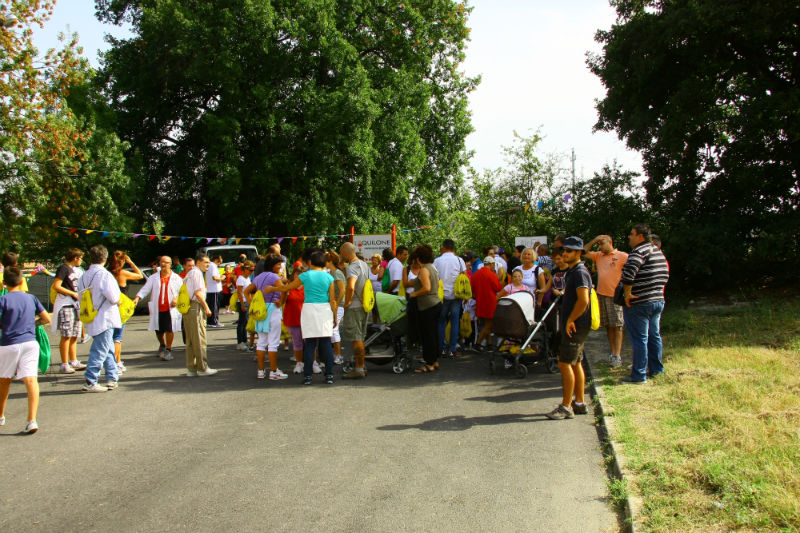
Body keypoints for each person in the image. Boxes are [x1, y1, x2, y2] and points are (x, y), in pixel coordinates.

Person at [268, 249, 336, 385]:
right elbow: (332, 300)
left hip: (309, 309)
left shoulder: (305, 276)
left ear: (310, 262)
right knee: (326, 343)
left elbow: (288, 288)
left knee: (310, 344)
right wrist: (334, 316)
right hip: (324, 309)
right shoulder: (329, 277)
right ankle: (329, 375)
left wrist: (272, 289)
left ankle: (308, 376)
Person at [0, 267, 50, 433]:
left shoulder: (3, 300)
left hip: (8, 343)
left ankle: (1, 416)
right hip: (30, 342)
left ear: (4, 283)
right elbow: (46, 318)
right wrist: (32, 325)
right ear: (22, 281)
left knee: (4, 381)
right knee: (31, 381)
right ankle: (32, 420)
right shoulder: (31, 298)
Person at [546, 237, 591, 420]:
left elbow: (584, 300)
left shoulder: (580, 272)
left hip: (576, 325)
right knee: (576, 363)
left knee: (564, 363)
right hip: (575, 324)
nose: (565, 253)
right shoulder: (573, 271)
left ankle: (566, 407)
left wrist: (571, 319)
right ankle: (579, 403)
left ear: (579, 252)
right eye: (564, 250)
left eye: (569, 251)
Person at [620, 224, 670, 384]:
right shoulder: (657, 252)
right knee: (654, 336)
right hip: (657, 300)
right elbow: (665, 274)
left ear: (640, 236)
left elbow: (628, 274)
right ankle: (657, 370)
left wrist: (627, 294)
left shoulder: (638, 252)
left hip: (639, 302)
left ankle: (639, 375)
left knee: (639, 338)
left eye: (631, 234)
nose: (629, 237)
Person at [78, 245, 123, 392]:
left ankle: (112, 377)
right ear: (105, 258)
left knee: (108, 348)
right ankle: (90, 380)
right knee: (100, 350)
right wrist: (119, 301)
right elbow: (114, 296)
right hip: (105, 317)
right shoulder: (105, 275)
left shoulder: (84, 275)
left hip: (91, 316)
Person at [584, 234, 629, 367]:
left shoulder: (622, 256)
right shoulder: (598, 256)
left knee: (617, 325)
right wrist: (594, 240)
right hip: (601, 295)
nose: (600, 246)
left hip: (615, 295)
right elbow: (582, 252)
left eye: (602, 243)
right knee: (608, 325)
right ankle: (613, 353)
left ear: (610, 242)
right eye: (599, 244)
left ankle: (618, 354)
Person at [244, 255, 288, 380]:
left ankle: (261, 371)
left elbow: (246, 291)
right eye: (278, 264)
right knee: (273, 342)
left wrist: (252, 303)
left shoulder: (258, 277)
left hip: (260, 311)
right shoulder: (275, 277)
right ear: (272, 265)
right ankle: (274, 371)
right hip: (273, 310)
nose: (280, 267)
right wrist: (281, 301)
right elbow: (284, 290)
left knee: (261, 342)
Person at [133, 256, 183, 361]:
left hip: (170, 308)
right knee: (158, 330)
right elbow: (146, 289)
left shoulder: (176, 278)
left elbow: (182, 291)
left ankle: (169, 350)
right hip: (157, 307)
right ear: (159, 263)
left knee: (170, 329)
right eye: (162, 262)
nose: (164, 264)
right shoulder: (153, 277)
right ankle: (162, 345)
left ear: (170, 264)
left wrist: (176, 299)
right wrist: (137, 297)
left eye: (166, 262)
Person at [51, 248, 87, 373]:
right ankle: (64, 364)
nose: (81, 261)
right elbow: (57, 286)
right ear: (75, 258)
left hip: (75, 305)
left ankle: (73, 360)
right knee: (66, 335)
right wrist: (73, 293)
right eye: (80, 258)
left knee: (74, 335)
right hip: (66, 304)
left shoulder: (75, 270)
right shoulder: (63, 268)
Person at [107, 250, 143, 374]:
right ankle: (117, 362)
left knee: (109, 337)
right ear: (122, 261)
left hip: (107, 307)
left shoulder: (107, 273)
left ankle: (112, 362)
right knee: (117, 337)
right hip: (120, 309)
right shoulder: (122, 273)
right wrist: (131, 262)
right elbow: (140, 275)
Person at [339, 242, 371, 379]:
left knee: (356, 338)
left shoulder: (352, 267)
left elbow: (351, 287)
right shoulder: (363, 264)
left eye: (342, 254)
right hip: (364, 305)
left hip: (355, 307)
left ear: (346, 253)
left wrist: (346, 302)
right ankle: (361, 366)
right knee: (360, 337)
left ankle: (358, 369)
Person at [409, 245, 442, 373]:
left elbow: (426, 288)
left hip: (427, 305)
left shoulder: (424, 270)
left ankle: (429, 363)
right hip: (436, 303)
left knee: (427, 336)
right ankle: (434, 360)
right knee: (433, 334)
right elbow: (437, 284)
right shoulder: (433, 268)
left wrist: (414, 294)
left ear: (418, 258)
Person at [183, 254, 217, 376]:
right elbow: (198, 293)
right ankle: (202, 368)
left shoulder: (191, 273)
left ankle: (191, 368)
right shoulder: (196, 273)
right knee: (199, 338)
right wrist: (206, 307)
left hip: (188, 307)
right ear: (198, 262)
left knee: (191, 340)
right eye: (206, 262)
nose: (208, 264)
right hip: (195, 307)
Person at [434, 238, 467, 358]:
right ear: (453, 248)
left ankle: (441, 349)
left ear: (444, 247)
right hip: (456, 295)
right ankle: (452, 348)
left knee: (441, 321)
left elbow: (434, 278)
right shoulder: (460, 260)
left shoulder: (437, 261)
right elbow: (464, 278)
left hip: (441, 296)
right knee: (454, 322)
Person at [470, 256, 503, 352]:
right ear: (492, 264)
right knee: (489, 324)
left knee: (486, 323)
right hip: (490, 302)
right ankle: (477, 344)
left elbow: (472, 288)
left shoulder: (476, 274)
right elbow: (498, 288)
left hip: (480, 301)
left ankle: (489, 344)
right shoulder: (492, 274)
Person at [283, 267, 306, 373]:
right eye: (297, 274)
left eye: (302, 274)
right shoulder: (289, 287)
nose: (299, 276)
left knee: (310, 342)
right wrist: (285, 294)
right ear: (294, 275)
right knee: (297, 342)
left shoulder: (307, 287)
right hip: (292, 318)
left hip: (306, 318)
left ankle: (313, 362)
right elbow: (281, 302)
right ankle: (299, 363)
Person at [326, 251, 346, 365]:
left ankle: (338, 355)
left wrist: (336, 304)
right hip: (334, 305)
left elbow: (342, 290)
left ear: (330, 262)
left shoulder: (337, 273)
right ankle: (335, 354)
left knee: (334, 330)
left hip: (338, 305)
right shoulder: (332, 273)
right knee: (332, 329)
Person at [235, 260, 255, 351]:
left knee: (246, 322)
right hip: (242, 302)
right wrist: (242, 305)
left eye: (253, 270)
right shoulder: (241, 278)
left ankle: (244, 340)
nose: (252, 272)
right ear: (245, 269)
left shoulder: (247, 278)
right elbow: (239, 292)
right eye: (250, 270)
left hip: (247, 302)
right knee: (241, 323)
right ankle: (240, 342)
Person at [205, 254, 224, 327]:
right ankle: (214, 321)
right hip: (214, 289)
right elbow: (214, 277)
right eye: (220, 262)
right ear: (216, 260)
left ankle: (210, 321)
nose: (220, 264)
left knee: (212, 306)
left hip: (211, 289)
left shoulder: (210, 265)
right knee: (214, 306)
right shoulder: (213, 266)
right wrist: (222, 278)